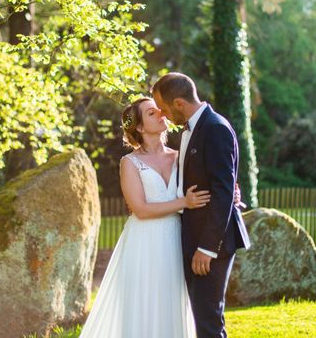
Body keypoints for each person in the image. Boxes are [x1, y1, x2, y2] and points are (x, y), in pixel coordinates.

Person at [79, 97, 208, 338]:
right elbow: (140, 209)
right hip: (144, 241)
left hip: (176, 238)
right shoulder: (130, 163)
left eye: (160, 109)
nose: (161, 114)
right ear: (139, 127)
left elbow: (204, 185)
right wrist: (183, 203)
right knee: (145, 304)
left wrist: (231, 192)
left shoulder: (180, 156)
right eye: (151, 113)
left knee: (172, 300)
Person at [151, 72, 251, 338]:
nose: (163, 115)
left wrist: (207, 248)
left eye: (163, 108)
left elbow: (222, 190)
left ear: (179, 103)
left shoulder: (215, 128)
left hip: (211, 243)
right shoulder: (191, 131)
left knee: (208, 321)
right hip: (194, 238)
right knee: (201, 318)